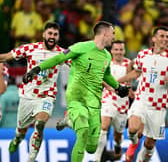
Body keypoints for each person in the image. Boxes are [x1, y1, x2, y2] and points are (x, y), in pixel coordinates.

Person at [23, 21, 130, 162]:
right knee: (83, 132)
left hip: (94, 102)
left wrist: (118, 87)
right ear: (105, 33)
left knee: (91, 147)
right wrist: (37, 69)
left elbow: (107, 75)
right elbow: (58, 58)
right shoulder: (81, 47)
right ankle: (73, 120)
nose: (114, 37)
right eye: (113, 33)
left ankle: (68, 121)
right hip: (76, 98)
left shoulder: (106, 55)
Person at [0, 21, 69, 162]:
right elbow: (6, 56)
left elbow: (78, 65)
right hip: (28, 96)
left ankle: (31, 159)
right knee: (21, 131)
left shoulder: (61, 54)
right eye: (50, 33)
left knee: (40, 124)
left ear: (58, 37)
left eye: (55, 34)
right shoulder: (31, 48)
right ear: (44, 34)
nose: (52, 37)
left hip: (47, 96)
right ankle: (17, 140)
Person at [118, 26, 168, 162]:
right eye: (162, 36)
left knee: (149, 144)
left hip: (159, 106)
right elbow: (136, 72)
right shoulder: (143, 54)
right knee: (133, 128)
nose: (165, 39)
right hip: (142, 100)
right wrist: (118, 82)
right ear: (154, 38)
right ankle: (134, 143)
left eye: (167, 37)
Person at [94, 40, 132, 162]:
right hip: (108, 99)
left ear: (124, 51)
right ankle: (97, 158)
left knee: (118, 135)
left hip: (123, 103)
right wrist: (111, 87)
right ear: (111, 51)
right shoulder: (106, 63)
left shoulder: (129, 64)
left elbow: (133, 79)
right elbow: (100, 79)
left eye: (121, 49)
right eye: (116, 49)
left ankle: (117, 146)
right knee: (103, 126)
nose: (118, 52)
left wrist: (130, 90)